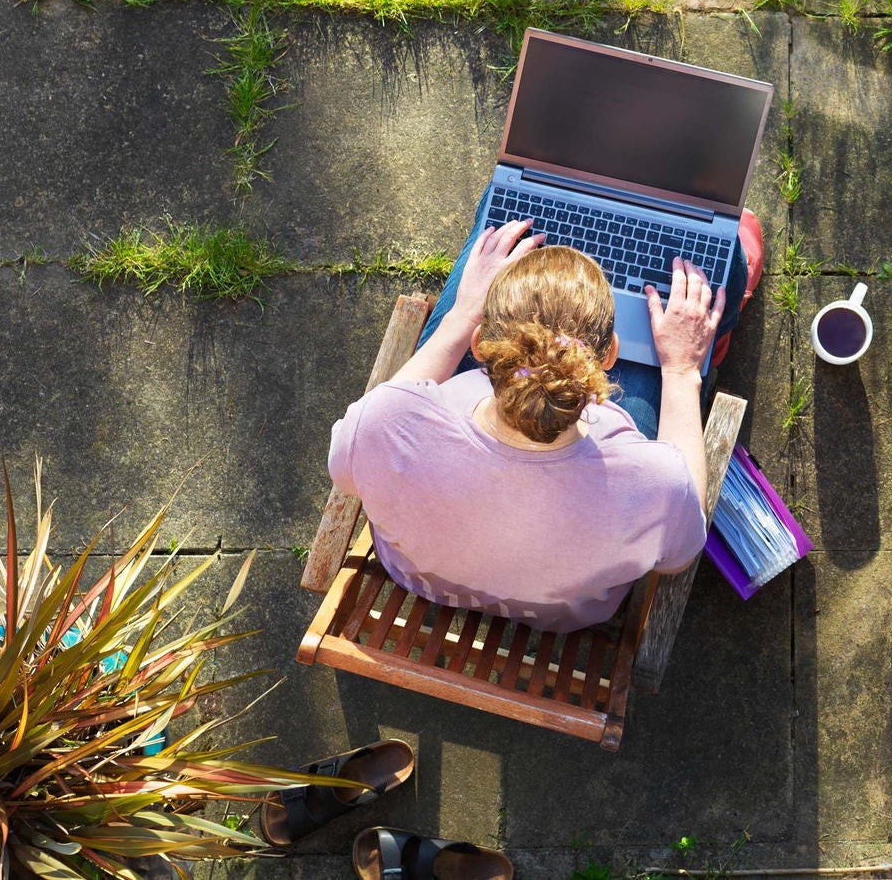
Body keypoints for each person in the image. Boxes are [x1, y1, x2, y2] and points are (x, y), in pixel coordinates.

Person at [326, 212, 762, 633]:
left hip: (421, 578)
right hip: (563, 618)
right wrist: (683, 370)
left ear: (480, 345)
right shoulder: (657, 486)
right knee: (727, 260)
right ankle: (715, 323)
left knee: (495, 233)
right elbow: (678, 558)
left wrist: (461, 314)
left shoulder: (385, 423)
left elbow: (345, 477)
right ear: (608, 357)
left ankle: (507, 242)